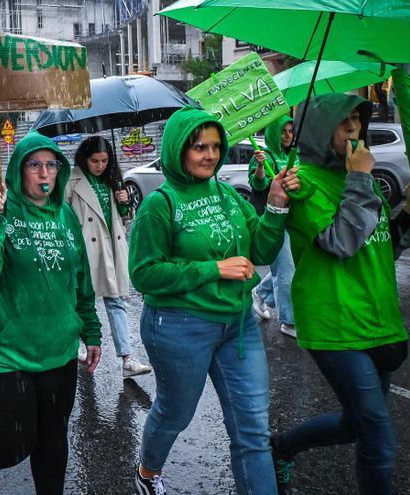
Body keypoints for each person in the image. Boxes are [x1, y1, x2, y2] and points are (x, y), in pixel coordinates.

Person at [128, 106, 298, 494]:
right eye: (199, 147)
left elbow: (263, 250)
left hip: (238, 325)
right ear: (177, 150)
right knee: (175, 413)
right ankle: (148, 472)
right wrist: (213, 269)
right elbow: (143, 273)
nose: (210, 155)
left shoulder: (226, 194)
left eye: (216, 146)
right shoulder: (160, 203)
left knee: (253, 429)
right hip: (178, 326)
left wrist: (275, 204)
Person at [271, 94, 410, 495]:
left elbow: (382, 248)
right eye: (343, 122)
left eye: (357, 119)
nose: (353, 128)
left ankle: (282, 448)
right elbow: (343, 242)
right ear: (321, 130)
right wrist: (360, 179)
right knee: (378, 435)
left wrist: (409, 212)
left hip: (378, 320)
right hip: (335, 323)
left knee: (358, 424)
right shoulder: (301, 183)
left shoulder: (359, 177)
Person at [0, 132, 101, 495]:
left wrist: (91, 330)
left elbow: (80, 277)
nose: (44, 173)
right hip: (0, 349)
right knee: (16, 440)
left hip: (56, 348)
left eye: (51, 165)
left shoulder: (66, 215)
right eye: (34, 164)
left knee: (53, 439)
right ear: (19, 171)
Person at [65, 136, 152, 378]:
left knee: (116, 301)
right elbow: (63, 216)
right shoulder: (71, 180)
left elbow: (125, 218)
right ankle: (80, 348)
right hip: (85, 251)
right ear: (85, 158)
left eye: (105, 160)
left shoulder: (112, 180)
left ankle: (127, 359)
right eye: (95, 161)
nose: (100, 165)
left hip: (111, 250)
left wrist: (124, 202)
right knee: (82, 302)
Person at [248, 115, 298, 337]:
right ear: (273, 133)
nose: (288, 135)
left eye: (290, 131)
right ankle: (289, 321)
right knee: (286, 271)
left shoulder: (293, 156)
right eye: (283, 131)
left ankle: (260, 293)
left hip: (295, 219)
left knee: (290, 266)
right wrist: (260, 167)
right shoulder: (263, 156)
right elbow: (257, 184)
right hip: (274, 221)